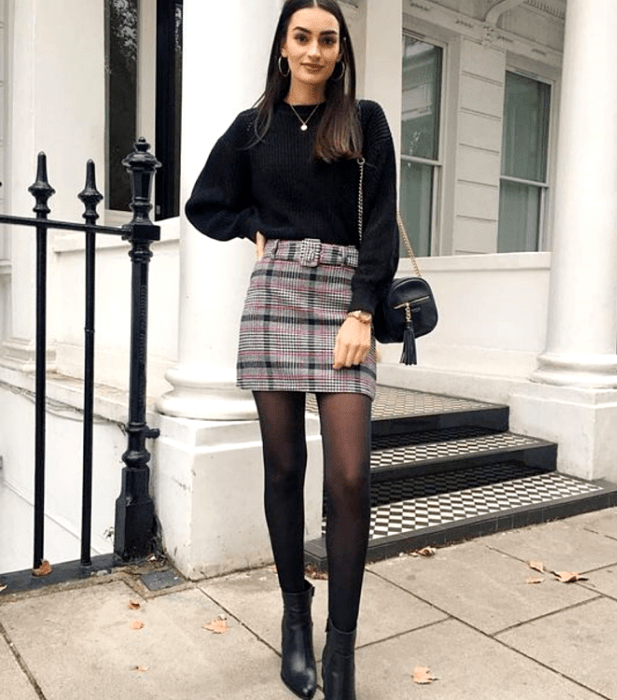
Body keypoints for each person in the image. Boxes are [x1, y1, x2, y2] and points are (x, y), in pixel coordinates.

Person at [185, 1, 399, 698]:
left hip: (344, 298)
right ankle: (294, 616)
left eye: (326, 40)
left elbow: (380, 226)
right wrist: (252, 226)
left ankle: (341, 653)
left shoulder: (362, 121)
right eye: (301, 37)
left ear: (340, 50)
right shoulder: (253, 130)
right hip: (276, 294)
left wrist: (362, 310)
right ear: (282, 45)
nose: (313, 50)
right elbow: (203, 204)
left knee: (348, 477)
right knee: (282, 467)